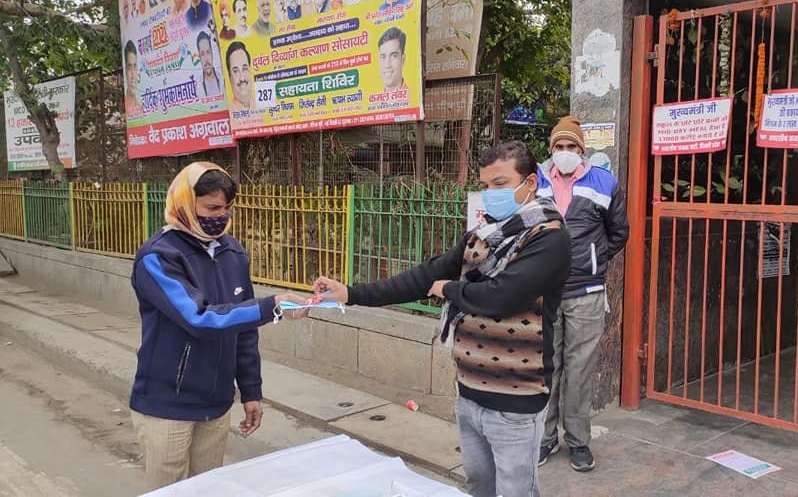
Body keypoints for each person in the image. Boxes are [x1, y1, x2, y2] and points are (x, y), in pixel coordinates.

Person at [314, 141, 571, 497]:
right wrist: (351, 293)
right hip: (469, 394)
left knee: (516, 491)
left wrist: (448, 289)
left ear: (529, 183)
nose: (491, 194)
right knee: (478, 486)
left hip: (516, 401)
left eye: (500, 184)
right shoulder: (482, 235)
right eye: (485, 185)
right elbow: (424, 276)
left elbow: (501, 296)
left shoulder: (549, 237)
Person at [129, 163, 309, 492]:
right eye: (211, 208)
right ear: (185, 203)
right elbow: (198, 319)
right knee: (169, 492)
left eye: (226, 208)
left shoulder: (232, 252)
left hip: (216, 403)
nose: (221, 216)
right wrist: (271, 306)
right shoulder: (158, 258)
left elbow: (243, 331)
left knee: (208, 489)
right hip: (168, 404)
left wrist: (251, 391)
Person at [536, 116, 629, 473]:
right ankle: (544, 438)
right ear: (551, 149)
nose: (565, 152)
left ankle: (577, 441)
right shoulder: (535, 180)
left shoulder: (604, 182)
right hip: (543, 291)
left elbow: (618, 232)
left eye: (571, 146)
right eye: (559, 146)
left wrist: (594, 260)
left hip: (585, 292)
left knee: (579, 370)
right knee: (546, 367)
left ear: (581, 149)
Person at [377, 27, 407, 93]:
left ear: (403, 59)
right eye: (383, 57)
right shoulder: (372, 98)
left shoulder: (413, 95)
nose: (387, 65)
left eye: (394, 56)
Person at [226, 41, 254, 111]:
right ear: (230, 78)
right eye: (235, 71)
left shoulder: (261, 107)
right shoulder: (230, 112)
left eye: (244, 69)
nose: (242, 78)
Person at [197, 32, 220, 97]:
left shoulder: (222, 78)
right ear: (199, 57)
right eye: (202, 54)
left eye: (208, 52)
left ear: (212, 53)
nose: (206, 59)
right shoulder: (198, 86)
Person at [123, 40, 142, 116]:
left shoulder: (141, 109)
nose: (133, 75)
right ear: (125, 71)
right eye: (129, 67)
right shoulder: (124, 107)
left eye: (135, 66)